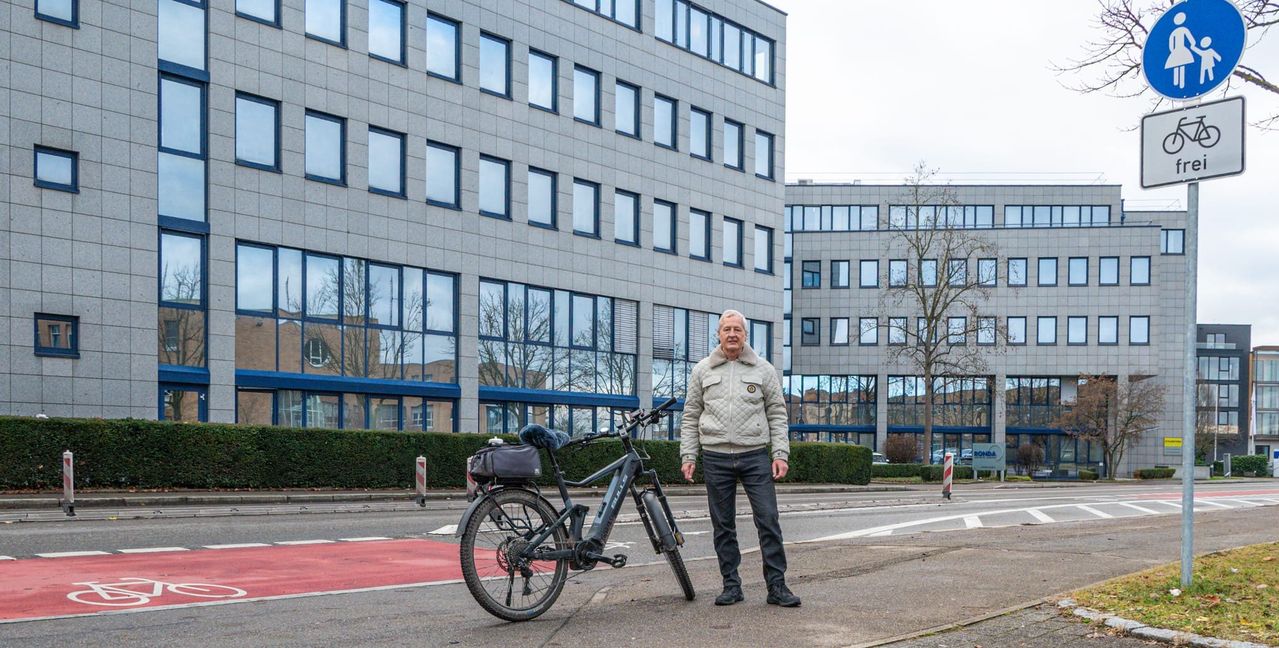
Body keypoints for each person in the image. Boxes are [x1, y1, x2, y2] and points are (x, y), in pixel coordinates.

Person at [680, 309, 799, 608]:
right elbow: (691, 415)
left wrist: (780, 453)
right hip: (715, 457)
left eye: (737, 329)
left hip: (754, 455)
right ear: (718, 334)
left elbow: (777, 413)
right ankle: (731, 586)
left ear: (745, 335)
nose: (732, 334)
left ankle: (777, 586)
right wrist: (688, 454)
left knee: (768, 520)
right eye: (727, 329)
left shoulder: (763, 370)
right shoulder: (702, 370)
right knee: (723, 526)